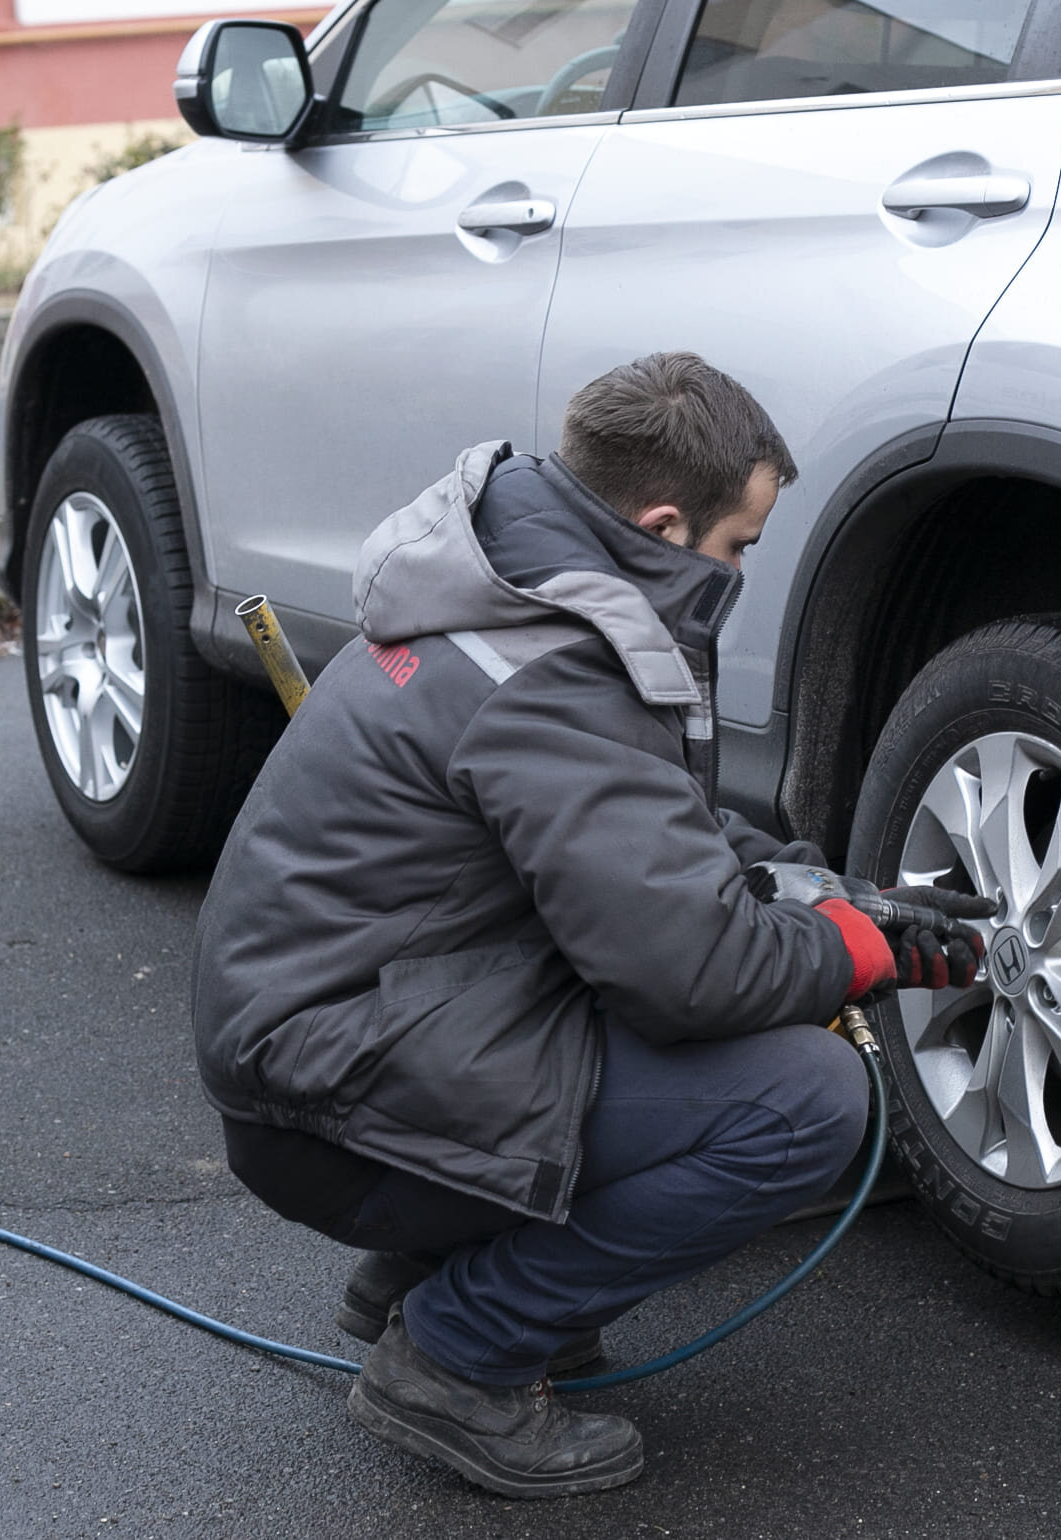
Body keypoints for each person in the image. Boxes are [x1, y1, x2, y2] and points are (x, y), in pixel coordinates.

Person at [191, 352, 992, 1498]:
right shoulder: (556, 672)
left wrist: (810, 883)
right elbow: (689, 972)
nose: (739, 573)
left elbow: (638, 834)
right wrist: (845, 952)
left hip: (344, 1042)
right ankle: (456, 1355)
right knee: (807, 1103)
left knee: (679, 1029)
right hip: (331, 1100)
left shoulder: (513, 594)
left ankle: (420, 1274)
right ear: (665, 524)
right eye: (738, 548)